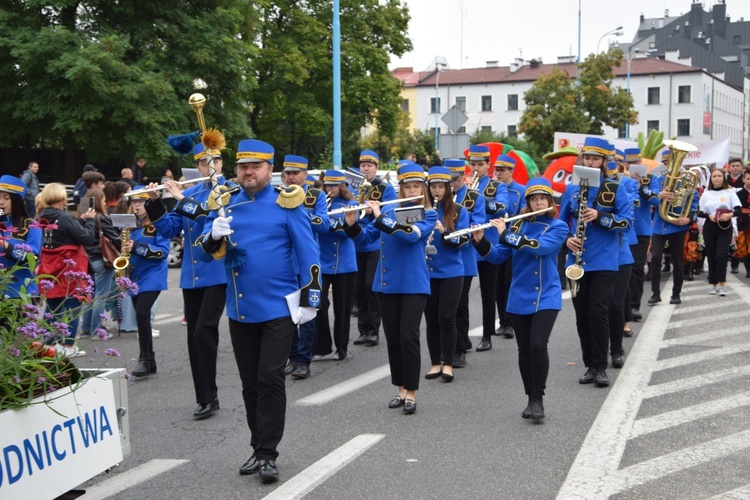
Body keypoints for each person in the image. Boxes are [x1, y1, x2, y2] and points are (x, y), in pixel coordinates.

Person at [197, 139, 321, 483]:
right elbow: (206, 253)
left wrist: (310, 300)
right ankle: (257, 446)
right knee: (250, 383)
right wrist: (212, 236)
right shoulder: (225, 203)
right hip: (241, 309)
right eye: (242, 167)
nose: (247, 172)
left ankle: (269, 454)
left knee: (270, 377)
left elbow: (309, 253)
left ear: (270, 169)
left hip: (278, 307)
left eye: (255, 166)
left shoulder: (287, 203)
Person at [145, 143, 230, 419]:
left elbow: (209, 216)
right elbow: (170, 228)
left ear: (221, 162)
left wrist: (181, 199)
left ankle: (211, 394)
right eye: (205, 163)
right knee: (194, 338)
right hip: (191, 278)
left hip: (218, 273)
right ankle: (205, 398)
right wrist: (155, 202)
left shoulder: (229, 190)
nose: (211, 166)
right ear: (198, 166)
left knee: (204, 331)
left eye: (215, 160)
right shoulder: (190, 192)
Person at [344, 162, 436, 415]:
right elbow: (365, 239)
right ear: (401, 188)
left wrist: (380, 217)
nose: (411, 190)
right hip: (386, 283)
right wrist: (351, 224)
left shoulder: (427, 213)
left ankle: (412, 393)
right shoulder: (390, 210)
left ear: (423, 189)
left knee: (409, 336)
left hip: (414, 284)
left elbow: (410, 236)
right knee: (394, 339)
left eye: (416, 185)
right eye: (407, 186)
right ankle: (400, 389)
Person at [472, 178, 568, 419]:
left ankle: (539, 399)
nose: (538, 203)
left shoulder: (559, 226)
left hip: (546, 293)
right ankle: (530, 397)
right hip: (519, 295)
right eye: (533, 199)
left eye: (542, 198)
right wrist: (480, 240)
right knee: (524, 349)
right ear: (528, 202)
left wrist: (504, 233)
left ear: (549, 201)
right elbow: (496, 257)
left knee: (538, 344)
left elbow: (538, 247)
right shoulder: (519, 227)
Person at [558, 137, 631, 388]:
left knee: (598, 312)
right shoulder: (571, 188)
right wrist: (567, 239)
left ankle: (600, 366)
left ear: (603, 162)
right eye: (587, 157)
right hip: (577, 260)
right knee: (582, 316)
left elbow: (626, 222)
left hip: (605, 261)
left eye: (595, 158)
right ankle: (589, 364)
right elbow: (559, 223)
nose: (590, 162)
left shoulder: (614, 187)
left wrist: (600, 216)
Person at [281, 155, 329, 379]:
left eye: (295, 173)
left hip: (308, 263)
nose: (291, 177)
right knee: (287, 313)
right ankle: (291, 356)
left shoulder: (316, 195)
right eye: (288, 173)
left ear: (305, 174)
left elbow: (324, 223)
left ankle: (304, 360)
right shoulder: (278, 196)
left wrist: (302, 218)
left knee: (308, 313)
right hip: (284, 263)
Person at [38, 183, 98, 357]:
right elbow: (86, 238)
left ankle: (50, 343)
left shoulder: (42, 218)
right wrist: (89, 221)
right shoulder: (65, 218)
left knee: (52, 306)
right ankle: (69, 346)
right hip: (68, 269)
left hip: (49, 268)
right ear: (63, 199)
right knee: (72, 307)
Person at [423, 166, 469, 383]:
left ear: (448, 188)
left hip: (451, 271)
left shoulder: (459, 210)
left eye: (441, 186)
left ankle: (448, 364)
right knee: (431, 319)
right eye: (433, 187)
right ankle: (434, 363)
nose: (437, 191)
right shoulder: (421, 209)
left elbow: (463, 241)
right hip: (427, 271)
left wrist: (445, 232)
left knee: (446, 318)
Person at [640, 150, 700, 305]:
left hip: (678, 225)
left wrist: (688, 218)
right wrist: (660, 195)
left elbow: (694, 202)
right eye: (667, 162)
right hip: (659, 224)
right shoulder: (655, 175)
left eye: (672, 162)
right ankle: (655, 293)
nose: (669, 165)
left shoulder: (686, 177)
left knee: (678, 260)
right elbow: (646, 193)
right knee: (655, 257)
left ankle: (676, 293)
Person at [352, 150, 397, 347]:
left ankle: (373, 330)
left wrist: (372, 212)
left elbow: (390, 211)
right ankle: (363, 330)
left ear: (376, 167)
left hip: (374, 243)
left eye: (369, 165)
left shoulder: (384, 188)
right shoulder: (353, 187)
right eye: (363, 165)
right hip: (356, 242)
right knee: (359, 288)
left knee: (371, 286)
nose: (365, 168)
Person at [446, 158, 487, 368]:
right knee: (444, 307)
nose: (451, 184)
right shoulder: (438, 196)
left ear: (463, 177)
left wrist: (457, 229)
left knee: (459, 305)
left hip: (463, 258)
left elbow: (477, 225)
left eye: (454, 179)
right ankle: (452, 344)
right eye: (448, 180)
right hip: (442, 258)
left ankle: (459, 349)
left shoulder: (473, 197)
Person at [468, 144, 509, 352]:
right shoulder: (463, 185)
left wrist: (478, 198)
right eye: (473, 164)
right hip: (465, 246)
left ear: (487, 165)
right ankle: (461, 337)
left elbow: (503, 209)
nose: (476, 168)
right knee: (460, 294)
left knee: (488, 294)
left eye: (480, 165)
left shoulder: (496, 186)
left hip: (487, 245)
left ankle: (486, 336)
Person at [313, 170, 358, 361]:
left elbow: (348, 232)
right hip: (322, 262)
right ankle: (322, 346)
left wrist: (327, 221)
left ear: (342, 186)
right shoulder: (319, 204)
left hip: (345, 264)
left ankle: (342, 347)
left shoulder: (351, 204)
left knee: (342, 308)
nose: (329, 189)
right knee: (318, 305)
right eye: (327, 186)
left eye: (333, 186)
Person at [125, 187, 169, 377]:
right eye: (134, 202)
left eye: (141, 202)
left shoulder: (158, 224)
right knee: (140, 317)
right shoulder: (129, 225)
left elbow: (163, 252)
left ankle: (143, 359)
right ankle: (150, 361)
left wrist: (137, 247)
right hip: (134, 274)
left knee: (143, 313)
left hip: (153, 274)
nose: (137, 205)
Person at [79, 188, 121, 341]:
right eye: (103, 199)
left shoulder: (83, 217)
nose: (105, 202)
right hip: (102, 259)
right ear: (98, 201)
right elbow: (115, 238)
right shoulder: (101, 218)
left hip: (87, 261)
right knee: (101, 296)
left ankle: (86, 329)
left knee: (90, 295)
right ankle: (97, 330)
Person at [492, 154, 526, 339]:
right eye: (496, 169)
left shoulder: (521, 191)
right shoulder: (492, 189)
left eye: (502, 170)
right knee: (497, 284)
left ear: (511, 171)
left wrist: (508, 232)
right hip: (495, 240)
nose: (498, 173)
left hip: (511, 240)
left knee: (508, 282)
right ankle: (502, 322)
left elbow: (522, 217)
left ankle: (510, 322)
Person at [698, 168, 742, 296]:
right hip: (710, 226)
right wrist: (708, 216)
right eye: (714, 176)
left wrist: (730, 214)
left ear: (723, 178)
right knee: (711, 255)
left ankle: (722, 284)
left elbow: (738, 209)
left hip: (725, 226)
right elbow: (699, 211)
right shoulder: (707, 193)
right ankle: (713, 283)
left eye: (719, 176)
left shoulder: (730, 192)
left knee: (721, 255)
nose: (717, 178)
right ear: (711, 178)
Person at [0, 175, 42, 298]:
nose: (0, 202)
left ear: (17, 201)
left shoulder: (31, 226)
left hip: (19, 295)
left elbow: (33, 258)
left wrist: (6, 246)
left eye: (6, 198)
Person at [734, 168, 750, 278]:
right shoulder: (738, 194)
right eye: (748, 178)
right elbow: (737, 209)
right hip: (743, 222)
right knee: (743, 247)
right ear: (743, 179)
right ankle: (748, 269)